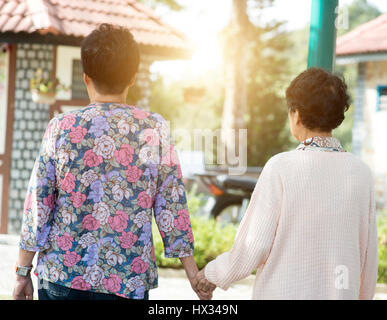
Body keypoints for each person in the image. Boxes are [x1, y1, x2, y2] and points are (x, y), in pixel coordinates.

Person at [13, 23, 210, 300]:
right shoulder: (155, 129)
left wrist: (23, 271)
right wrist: (193, 274)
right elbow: (172, 206)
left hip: (62, 278)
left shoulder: (61, 127)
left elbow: (39, 205)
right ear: (132, 78)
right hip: (127, 279)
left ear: (85, 78)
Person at [195, 67, 378, 300]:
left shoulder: (280, 167)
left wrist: (211, 275)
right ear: (337, 116)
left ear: (296, 115)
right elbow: (368, 256)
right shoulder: (361, 173)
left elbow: (253, 246)